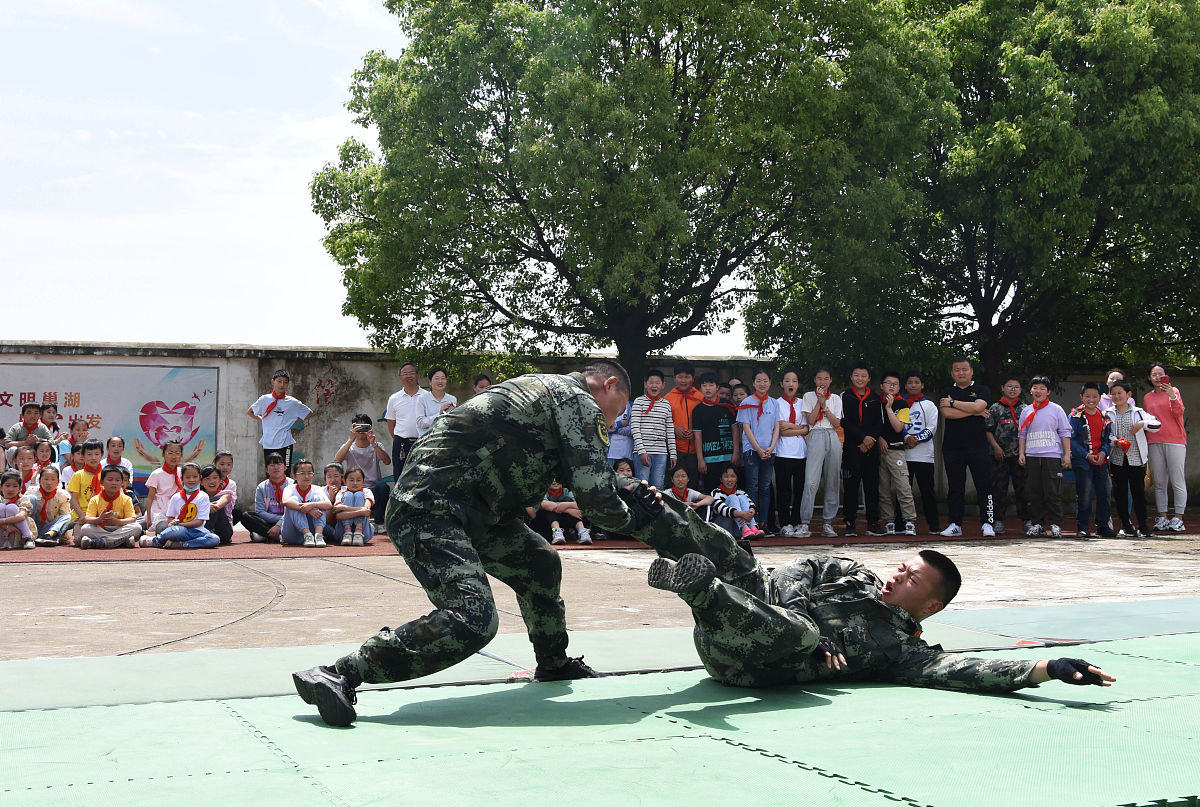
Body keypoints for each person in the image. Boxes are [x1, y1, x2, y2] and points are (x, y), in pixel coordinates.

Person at [293, 359, 662, 727]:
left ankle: (553, 662)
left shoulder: (548, 396)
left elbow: (583, 473)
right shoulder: (574, 399)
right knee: (474, 618)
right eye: (614, 415)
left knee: (539, 563)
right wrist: (635, 518)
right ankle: (339, 672)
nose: (612, 425)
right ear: (608, 385)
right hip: (430, 508)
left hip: (476, 512)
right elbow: (595, 493)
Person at [645, 535, 1115, 693]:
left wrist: (1046, 668)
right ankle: (649, 514)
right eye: (902, 568)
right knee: (744, 562)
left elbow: (966, 669)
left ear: (931, 607)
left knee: (801, 637)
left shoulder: (904, 652)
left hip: (743, 663)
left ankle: (701, 591)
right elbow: (803, 566)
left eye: (911, 580)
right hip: (746, 609)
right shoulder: (855, 573)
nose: (895, 578)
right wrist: (796, 611)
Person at [938, 357, 996, 538]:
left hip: (978, 446)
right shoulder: (947, 390)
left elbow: (980, 405)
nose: (961, 373)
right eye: (957, 370)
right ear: (952, 373)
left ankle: (988, 523)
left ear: (971, 371)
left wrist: (954, 403)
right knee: (955, 487)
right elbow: (947, 413)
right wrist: (973, 411)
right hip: (952, 447)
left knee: (984, 486)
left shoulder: (981, 390)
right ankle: (955, 523)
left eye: (964, 369)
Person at [1018, 376, 1072, 537]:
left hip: (1052, 456)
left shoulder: (1056, 409)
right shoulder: (1026, 411)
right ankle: (1037, 524)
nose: (1038, 391)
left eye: (1042, 388)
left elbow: (1065, 432)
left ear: (1048, 391)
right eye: (1035, 388)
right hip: (1032, 456)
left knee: (1052, 492)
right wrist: (1021, 453)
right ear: (1030, 390)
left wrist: (1067, 454)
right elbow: (1022, 434)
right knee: (1034, 492)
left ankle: (1055, 524)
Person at [1105, 380, 1157, 538]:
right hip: (1117, 458)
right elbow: (1105, 436)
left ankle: (1143, 525)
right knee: (1120, 493)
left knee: (1138, 493)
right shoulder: (1107, 413)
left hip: (1136, 458)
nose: (1116, 396)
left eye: (1120, 393)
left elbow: (1157, 424)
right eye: (1113, 393)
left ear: (1128, 395)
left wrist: (1142, 424)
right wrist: (1115, 441)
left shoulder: (1139, 412)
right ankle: (1126, 525)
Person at [796, 368, 842, 539]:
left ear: (830, 381)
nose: (823, 381)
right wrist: (819, 402)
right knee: (811, 482)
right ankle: (804, 522)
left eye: (826, 378)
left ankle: (828, 522)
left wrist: (825, 406)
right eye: (819, 378)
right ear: (815, 380)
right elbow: (810, 420)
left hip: (831, 434)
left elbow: (836, 423)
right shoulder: (808, 396)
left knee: (832, 480)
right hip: (815, 434)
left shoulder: (836, 398)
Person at [840, 363, 886, 537]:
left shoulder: (875, 398)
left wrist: (870, 439)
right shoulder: (845, 396)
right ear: (852, 377)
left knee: (872, 486)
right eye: (856, 375)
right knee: (851, 486)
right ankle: (850, 522)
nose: (860, 378)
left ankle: (872, 522)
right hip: (852, 447)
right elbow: (844, 421)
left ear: (868, 379)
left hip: (871, 448)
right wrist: (861, 438)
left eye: (863, 376)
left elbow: (879, 423)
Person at [1142, 363, 1187, 532]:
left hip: (1175, 441)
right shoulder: (1147, 397)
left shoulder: (1174, 391)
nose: (1158, 377)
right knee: (1159, 482)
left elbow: (1178, 413)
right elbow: (1147, 421)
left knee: (1177, 480)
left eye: (1161, 374)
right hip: (1154, 441)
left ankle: (1179, 518)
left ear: (1166, 376)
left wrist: (1172, 397)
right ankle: (1162, 517)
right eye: (1154, 374)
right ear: (1149, 378)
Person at [736, 367, 780, 532]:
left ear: (770, 382)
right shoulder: (746, 402)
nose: (762, 384)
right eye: (759, 381)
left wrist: (771, 447)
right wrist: (758, 449)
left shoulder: (774, 403)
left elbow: (777, 427)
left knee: (765, 487)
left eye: (765, 381)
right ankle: (751, 522)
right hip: (752, 451)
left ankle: (764, 523)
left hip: (770, 451)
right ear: (753, 383)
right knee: (752, 487)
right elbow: (746, 429)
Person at [333, 414, 392, 534]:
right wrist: (351, 439)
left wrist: (373, 443)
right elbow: (337, 460)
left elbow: (387, 461)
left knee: (383, 487)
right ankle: (348, 525)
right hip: (353, 490)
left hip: (372, 490)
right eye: (357, 426)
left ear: (370, 428)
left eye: (364, 426)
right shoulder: (349, 447)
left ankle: (379, 522)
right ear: (352, 428)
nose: (361, 430)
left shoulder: (376, 445)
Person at [1070, 382, 1114, 538]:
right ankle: (1083, 526)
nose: (1091, 399)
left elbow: (1107, 440)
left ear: (1099, 398)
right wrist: (1086, 455)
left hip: (1101, 461)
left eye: (1095, 396)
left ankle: (1102, 526)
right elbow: (1072, 440)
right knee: (1085, 494)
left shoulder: (1104, 417)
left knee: (1104, 493)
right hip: (1083, 461)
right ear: (1082, 397)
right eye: (1087, 396)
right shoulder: (1076, 415)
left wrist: (1103, 453)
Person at [986, 377, 1030, 535]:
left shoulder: (1026, 409)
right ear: (1003, 388)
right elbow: (988, 430)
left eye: (1016, 387)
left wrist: (1023, 451)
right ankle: (998, 520)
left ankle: (1026, 520)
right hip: (1000, 456)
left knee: (1023, 488)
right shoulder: (995, 408)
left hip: (1020, 456)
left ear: (1020, 389)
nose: (1013, 389)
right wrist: (996, 447)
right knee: (999, 489)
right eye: (1009, 386)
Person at [878, 371, 918, 536]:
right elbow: (872, 426)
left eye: (895, 384)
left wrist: (888, 408)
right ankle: (889, 522)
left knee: (903, 487)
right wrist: (879, 438)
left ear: (899, 387)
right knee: (884, 489)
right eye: (888, 383)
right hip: (879, 451)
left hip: (896, 451)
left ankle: (909, 521)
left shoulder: (902, 404)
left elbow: (898, 428)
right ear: (882, 386)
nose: (891, 386)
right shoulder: (874, 402)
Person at [144, 462, 219, 549]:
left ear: (200, 478)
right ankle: (155, 540)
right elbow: (170, 519)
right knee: (177, 531)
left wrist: (181, 524)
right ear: (181, 479)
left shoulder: (203, 497)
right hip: (180, 531)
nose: (191, 480)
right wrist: (173, 523)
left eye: (195, 477)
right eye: (187, 477)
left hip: (197, 531)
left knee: (214, 539)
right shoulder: (176, 497)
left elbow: (200, 522)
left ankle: (182, 544)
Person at [248, 369, 312, 469]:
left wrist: (292, 420)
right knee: (270, 471)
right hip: (268, 442)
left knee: (285, 471)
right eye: (279, 381)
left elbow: (308, 413)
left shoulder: (292, 402)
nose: (282, 385)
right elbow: (250, 412)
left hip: (285, 442)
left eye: (285, 382)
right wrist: (262, 419)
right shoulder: (264, 399)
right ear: (273, 382)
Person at [901, 371, 940, 534]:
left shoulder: (930, 405)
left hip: (925, 456)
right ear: (905, 385)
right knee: (903, 491)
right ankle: (900, 525)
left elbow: (932, 428)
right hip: (904, 455)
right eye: (910, 382)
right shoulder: (899, 404)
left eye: (917, 382)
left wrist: (915, 439)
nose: (913, 385)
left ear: (922, 385)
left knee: (927, 491)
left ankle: (934, 525)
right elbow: (897, 425)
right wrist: (906, 438)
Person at [774, 370, 809, 537]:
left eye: (794, 381)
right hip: (783, 452)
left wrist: (791, 426)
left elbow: (807, 428)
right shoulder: (776, 403)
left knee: (800, 489)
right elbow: (780, 428)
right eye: (787, 381)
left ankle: (796, 521)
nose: (791, 384)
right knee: (784, 489)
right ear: (781, 383)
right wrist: (798, 428)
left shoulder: (803, 403)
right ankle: (785, 522)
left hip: (801, 452)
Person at [692, 372, 740, 492]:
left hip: (728, 456)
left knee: (730, 490)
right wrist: (700, 459)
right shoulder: (698, 410)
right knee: (711, 491)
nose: (707, 388)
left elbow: (735, 430)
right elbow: (697, 436)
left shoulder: (727, 405)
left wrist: (736, 452)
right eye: (704, 385)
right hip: (709, 458)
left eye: (711, 385)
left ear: (717, 387)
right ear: (700, 388)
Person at [78, 465, 144, 549]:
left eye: (117, 480)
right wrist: (99, 519)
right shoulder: (95, 499)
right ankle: (121, 542)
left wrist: (117, 521)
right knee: (85, 529)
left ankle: (100, 542)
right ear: (102, 482)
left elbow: (132, 518)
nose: (114, 483)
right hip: (101, 528)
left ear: (122, 482)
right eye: (110, 480)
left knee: (137, 527)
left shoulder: (126, 499)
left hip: (119, 527)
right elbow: (88, 518)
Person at [631, 369, 676, 490]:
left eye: (657, 383)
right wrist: (641, 451)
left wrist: (673, 453)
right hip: (643, 451)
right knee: (642, 486)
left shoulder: (666, 404)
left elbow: (670, 430)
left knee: (658, 487)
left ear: (663, 385)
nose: (654, 386)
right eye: (651, 382)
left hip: (661, 452)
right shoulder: (638, 402)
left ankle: (657, 509)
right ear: (646, 384)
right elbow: (634, 427)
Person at [385, 361, 432, 472]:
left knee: (422, 477)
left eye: (411, 372)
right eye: (404, 374)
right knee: (400, 475)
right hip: (401, 445)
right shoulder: (394, 398)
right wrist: (401, 439)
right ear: (400, 378)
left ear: (417, 375)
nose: (408, 376)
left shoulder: (428, 397)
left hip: (423, 443)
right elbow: (391, 424)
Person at [666, 362, 704, 487]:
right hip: (674, 451)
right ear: (674, 378)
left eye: (687, 377)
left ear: (693, 379)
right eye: (680, 377)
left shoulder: (700, 397)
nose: (683, 380)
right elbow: (662, 422)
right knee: (673, 484)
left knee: (693, 485)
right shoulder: (667, 399)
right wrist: (674, 428)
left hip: (696, 451)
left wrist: (696, 431)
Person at [240, 453, 292, 543]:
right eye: (272, 465)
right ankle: (277, 536)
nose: (276, 467)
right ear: (267, 469)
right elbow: (260, 511)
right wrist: (278, 521)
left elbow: (292, 511)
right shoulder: (261, 487)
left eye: (279, 464)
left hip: (288, 520)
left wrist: (279, 524)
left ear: (285, 467)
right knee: (246, 516)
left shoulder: (292, 485)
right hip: (268, 521)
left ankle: (265, 535)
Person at [282, 459, 333, 547]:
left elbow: (328, 505)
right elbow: (286, 501)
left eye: (309, 473)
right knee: (293, 499)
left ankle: (318, 535)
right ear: (294, 476)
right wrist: (308, 510)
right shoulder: (290, 488)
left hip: (312, 531)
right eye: (302, 473)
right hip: (292, 534)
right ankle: (307, 534)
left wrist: (311, 505)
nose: (306, 476)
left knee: (318, 499)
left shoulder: (317, 489)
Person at [528, 477, 592, 545]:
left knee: (567, 500)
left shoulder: (567, 491)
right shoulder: (542, 491)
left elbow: (581, 505)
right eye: (553, 479)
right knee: (551, 502)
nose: (555, 481)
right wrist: (569, 510)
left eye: (558, 478)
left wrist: (564, 505)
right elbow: (545, 504)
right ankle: (556, 532)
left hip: (563, 526)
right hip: (545, 526)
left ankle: (582, 531)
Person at [66, 438, 106, 542]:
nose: (93, 458)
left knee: (134, 528)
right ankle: (110, 540)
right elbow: (73, 500)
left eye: (96, 454)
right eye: (89, 454)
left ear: (102, 455)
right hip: (82, 515)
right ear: (83, 456)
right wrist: (82, 516)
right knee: (78, 540)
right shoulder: (78, 475)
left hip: (102, 515)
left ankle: (98, 541)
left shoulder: (107, 474)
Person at [709, 465, 763, 539]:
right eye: (726, 477)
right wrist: (742, 514)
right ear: (721, 479)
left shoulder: (741, 492)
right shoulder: (715, 493)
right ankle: (744, 528)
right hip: (721, 529)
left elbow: (752, 505)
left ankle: (752, 527)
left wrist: (751, 511)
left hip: (736, 529)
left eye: (732, 476)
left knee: (742, 497)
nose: (729, 480)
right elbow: (722, 509)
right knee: (732, 497)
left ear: (737, 478)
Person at [143, 440, 183, 537]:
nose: (174, 457)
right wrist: (148, 516)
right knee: (162, 528)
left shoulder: (182, 472)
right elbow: (150, 497)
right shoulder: (157, 473)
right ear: (163, 455)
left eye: (177, 453)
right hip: (159, 509)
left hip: (177, 507)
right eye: (170, 453)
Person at [25, 466, 72, 546]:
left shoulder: (63, 495)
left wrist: (64, 536)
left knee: (68, 517)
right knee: (31, 498)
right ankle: (28, 537)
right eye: (46, 479)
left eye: (53, 479)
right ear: (39, 480)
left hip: (49, 528)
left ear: (58, 482)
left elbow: (64, 519)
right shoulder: (31, 491)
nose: (49, 483)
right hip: (32, 527)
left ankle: (48, 536)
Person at [334, 468, 375, 546]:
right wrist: (360, 511)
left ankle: (358, 532)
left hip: (363, 532)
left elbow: (366, 510)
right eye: (351, 480)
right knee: (348, 495)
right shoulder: (341, 493)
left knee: (359, 494)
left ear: (363, 481)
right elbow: (339, 515)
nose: (355, 483)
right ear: (345, 481)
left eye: (358, 480)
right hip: (342, 534)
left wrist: (345, 508)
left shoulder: (367, 492)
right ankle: (347, 531)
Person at [417, 366, 458, 436]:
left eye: (443, 378)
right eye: (437, 378)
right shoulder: (422, 399)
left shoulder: (452, 399)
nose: (440, 381)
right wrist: (439, 414)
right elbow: (421, 423)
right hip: (427, 441)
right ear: (430, 382)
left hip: (446, 439)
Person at [200, 464, 234, 545]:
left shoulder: (226, 494)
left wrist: (206, 506)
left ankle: (204, 532)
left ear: (220, 481)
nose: (212, 481)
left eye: (215, 478)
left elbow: (217, 505)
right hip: (202, 526)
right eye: (207, 479)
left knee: (215, 501)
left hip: (223, 531)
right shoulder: (198, 496)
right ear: (201, 482)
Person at [0, 470, 33, 549]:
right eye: (7, 486)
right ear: (1, 487)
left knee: (12, 508)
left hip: (18, 530)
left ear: (19, 488)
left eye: (15, 486)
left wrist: (3, 521)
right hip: (2, 529)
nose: (11, 489)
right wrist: (6, 526)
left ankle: (27, 538)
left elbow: (21, 516)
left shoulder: (23, 499)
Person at [212, 450, 241, 530]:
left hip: (224, 514)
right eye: (222, 464)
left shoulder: (232, 484)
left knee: (238, 512)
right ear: (215, 465)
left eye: (229, 464)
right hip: (210, 512)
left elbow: (230, 504)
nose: (225, 467)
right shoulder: (209, 480)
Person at [607, 395, 635, 468]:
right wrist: (620, 424)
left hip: (627, 452)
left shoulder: (632, 406)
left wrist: (614, 428)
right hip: (610, 453)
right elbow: (605, 427)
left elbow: (632, 430)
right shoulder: (607, 404)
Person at [321, 462, 345, 541]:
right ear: (325, 479)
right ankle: (336, 535)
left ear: (342, 478)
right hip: (327, 523)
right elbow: (327, 520)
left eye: (336, 476)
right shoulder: (321, 492)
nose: (333, 480)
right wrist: (331, 499)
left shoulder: (346, 490)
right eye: (329, 477)